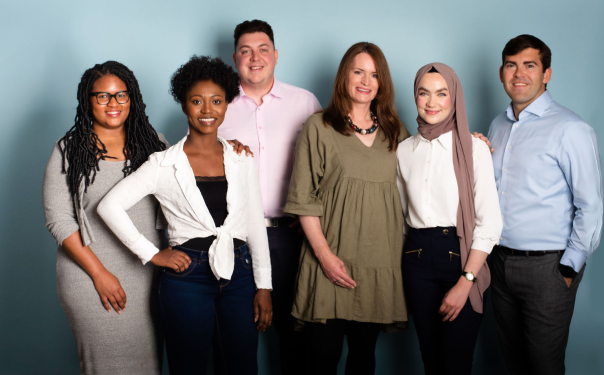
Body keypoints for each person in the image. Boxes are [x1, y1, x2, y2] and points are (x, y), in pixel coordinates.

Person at [97, 55, 272, 375]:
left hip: (240, 275)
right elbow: (108, 206)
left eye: (216, 101)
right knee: (188, 367)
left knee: (242, 366)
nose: (208, 110)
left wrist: (264, 286)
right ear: (184, 105)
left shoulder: (241, 158)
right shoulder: (162, 164)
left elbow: (254, 224)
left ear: (227, 104)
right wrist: (152, 255)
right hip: (187, 279)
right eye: (197, 101)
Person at [284, 42, 409, 375]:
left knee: (364, 359)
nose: (366, 81)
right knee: (321, 358)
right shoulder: (319, 126)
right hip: (329, 259)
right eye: (358, 71)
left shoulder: (396, 133)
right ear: (344, 76)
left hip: (377, 262)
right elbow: (303, 199)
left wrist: (472, 145)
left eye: (374, 74)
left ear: (382, 83)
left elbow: (431, 172)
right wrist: (326, 257)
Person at [42, 61, 169, 374]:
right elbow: (58, 219)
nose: (113, 104)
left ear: (132, 99)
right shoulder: (68, 149)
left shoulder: (155, 144)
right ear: (88, 100)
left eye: (120, 95)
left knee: (147, 364)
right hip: (89, 272)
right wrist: (100, 274)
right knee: (106, 365)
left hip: (148, 271)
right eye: (103, 96)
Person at [487, 34, 603, 375]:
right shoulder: (496, 125)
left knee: (543, 366)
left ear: (546, 74)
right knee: (512, 361)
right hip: (499, 263)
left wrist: (569, 268)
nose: (519, 73)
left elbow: (592, 206)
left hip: (548, 268)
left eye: (530, 65)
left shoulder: (571, 129)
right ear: (501, 72)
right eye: (511, 65)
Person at [215, 19, 321, 375]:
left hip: (290, 236)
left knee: (295, 334)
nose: (254, 57)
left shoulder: (305, 102)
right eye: (245, 51)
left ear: (275, 55)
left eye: (262, 49)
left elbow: (333, 160)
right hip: (237, 238)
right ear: (235, 58)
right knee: (236, 334)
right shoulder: (218, 105)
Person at [396, 63, 502, 375]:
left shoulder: (474, 149)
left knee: (456, 362)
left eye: (442, 94)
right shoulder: (402, 151)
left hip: (460, 256)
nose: (431, 102)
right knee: (431, 359)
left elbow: (490, 223)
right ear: (414, 96)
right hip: (415, 256)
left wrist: (466, 281)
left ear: (454, 98)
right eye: (423, 93)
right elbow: (403, 217)